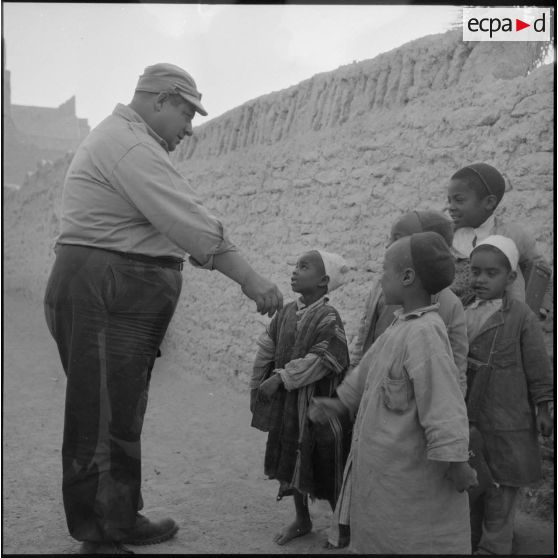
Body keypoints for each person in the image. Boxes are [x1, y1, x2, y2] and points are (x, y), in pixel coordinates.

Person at [43, 63, 283, 555]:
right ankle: (100, 536)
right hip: (104, 291)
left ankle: (119, 518)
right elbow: (188, 220)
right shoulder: (131, 146)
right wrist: (251, 280)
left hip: (106, 290)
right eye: (186, 113)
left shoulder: (128, 143)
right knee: (103, 415)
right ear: (160, 100)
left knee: (118, 413)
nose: (190, 129)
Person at [309, 232, 478, 554]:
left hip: (410, 474)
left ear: (407, 277)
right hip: (385, 471)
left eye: (385, 270)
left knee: (412, 538)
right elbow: (366, 371)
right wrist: (341, 401)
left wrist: (456, 463)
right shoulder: (401, 327)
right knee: (380, 532)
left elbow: (444, 404)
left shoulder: (427, 334)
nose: (380, 278)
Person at [249, 250, 351, 546]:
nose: (295, 271)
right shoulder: (286, 312)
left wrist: (280, 378)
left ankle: (341, 523)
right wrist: (257, 386)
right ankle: (302, 518)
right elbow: (266, 347)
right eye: (295, 266)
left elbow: (323, 360)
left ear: (324, 281)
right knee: (288, 460)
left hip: (317, 409)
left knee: (326, 462)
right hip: (287, 409)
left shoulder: (329, 317)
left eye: (304, 267)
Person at [463, 235, 553, 555]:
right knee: (473, 484)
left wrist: (544, 407)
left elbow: (538, 366)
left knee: (501, 489)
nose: (480, 279)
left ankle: (495, 547)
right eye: (475, 272)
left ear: (510, 278)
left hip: (508, 417)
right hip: (472, 416)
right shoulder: (464, 311)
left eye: (491, 274)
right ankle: (472, 541)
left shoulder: (521, 316)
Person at [350, 210, 468, 396]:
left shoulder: (448, 304)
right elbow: (365, 336)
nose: (388, 245)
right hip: (372, 392)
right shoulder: (382, 288)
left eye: (397, 238)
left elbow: (456, 368)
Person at [446, 162, 552, 316]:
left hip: (502, 323)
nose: (451, 207)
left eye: (459, 200)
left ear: (489, 202)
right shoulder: (446, 237)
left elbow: (540, 270)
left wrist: (538, 307)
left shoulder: (512, 235)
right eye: (449, 200)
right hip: (456, 323)